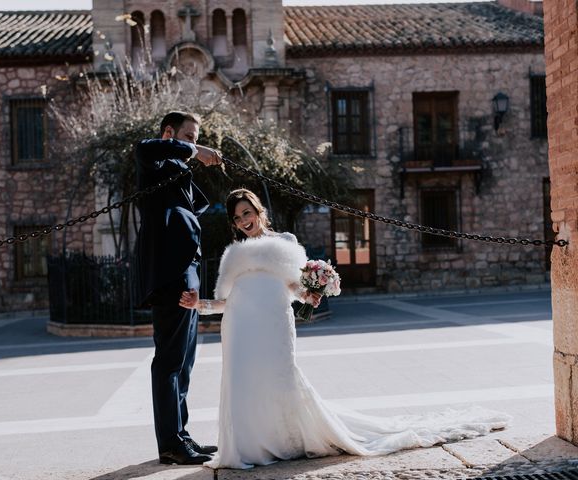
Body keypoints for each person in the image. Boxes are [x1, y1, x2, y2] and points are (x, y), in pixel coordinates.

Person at [180, 188, 511, 470]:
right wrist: (200, 304)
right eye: (237, 218)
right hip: (239, 329)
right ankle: (246, 448)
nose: (243, 221)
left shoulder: (285, 242)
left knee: (278, 379)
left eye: (246, 213)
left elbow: (295, 288)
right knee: (242, 383)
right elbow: (225, 301)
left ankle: (279, 440)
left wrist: (311, 294)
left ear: (258, 210)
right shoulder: (233, 254)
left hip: (274, 326)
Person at [134, 111, 222, 465]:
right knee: (169, 361)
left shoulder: (173, 172)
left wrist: (188, 159)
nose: (191, 143)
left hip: (187, 272)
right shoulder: (151, 160)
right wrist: (193, 150)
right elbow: (144, 148)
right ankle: (169, 442)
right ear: (169, 132)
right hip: (169, 274)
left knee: (185, 361)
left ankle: (181, 435)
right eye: (188, 136)